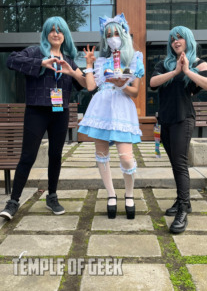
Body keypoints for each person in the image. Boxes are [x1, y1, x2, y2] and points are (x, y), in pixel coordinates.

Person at [0, 16, 86, 220]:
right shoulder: (35, 51)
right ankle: (13, 202)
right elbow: (11, 60)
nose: (56, 33)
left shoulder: (69, 59)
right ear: (46, 33)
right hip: (36, 111)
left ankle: (52, 196)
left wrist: (74, 72)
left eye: (60, 30)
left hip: (60, 112)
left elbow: (83, 84)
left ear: (65, 35)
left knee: (55, 156)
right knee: (28, 156)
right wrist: (41, 63)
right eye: (52, 30)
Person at [78, 13, 145, 219]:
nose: (112, 37)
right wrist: (89, 64)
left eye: (116, 33)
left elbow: (135, 92)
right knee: (101, 154)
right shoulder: (101, 61)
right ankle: (111, 194)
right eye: (108, 34)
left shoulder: (135, 57)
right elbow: (91, 86)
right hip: (102, 108)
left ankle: (130, 193)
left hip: (123, 109)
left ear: (123, 34)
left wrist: (121, 85)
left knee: (126, 157)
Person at [150, 26, 207, 233]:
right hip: (165, 120)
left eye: (179, 38)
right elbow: (152, 83)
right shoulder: (164, 64)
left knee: (180, 164)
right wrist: (176, 71)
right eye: (172, 39)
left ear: (188, 40)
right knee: (175, 163)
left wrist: (187, 71)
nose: (176, 41)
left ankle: (183, 211)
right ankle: (182, 201)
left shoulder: (198, 63)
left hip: (183, 119)